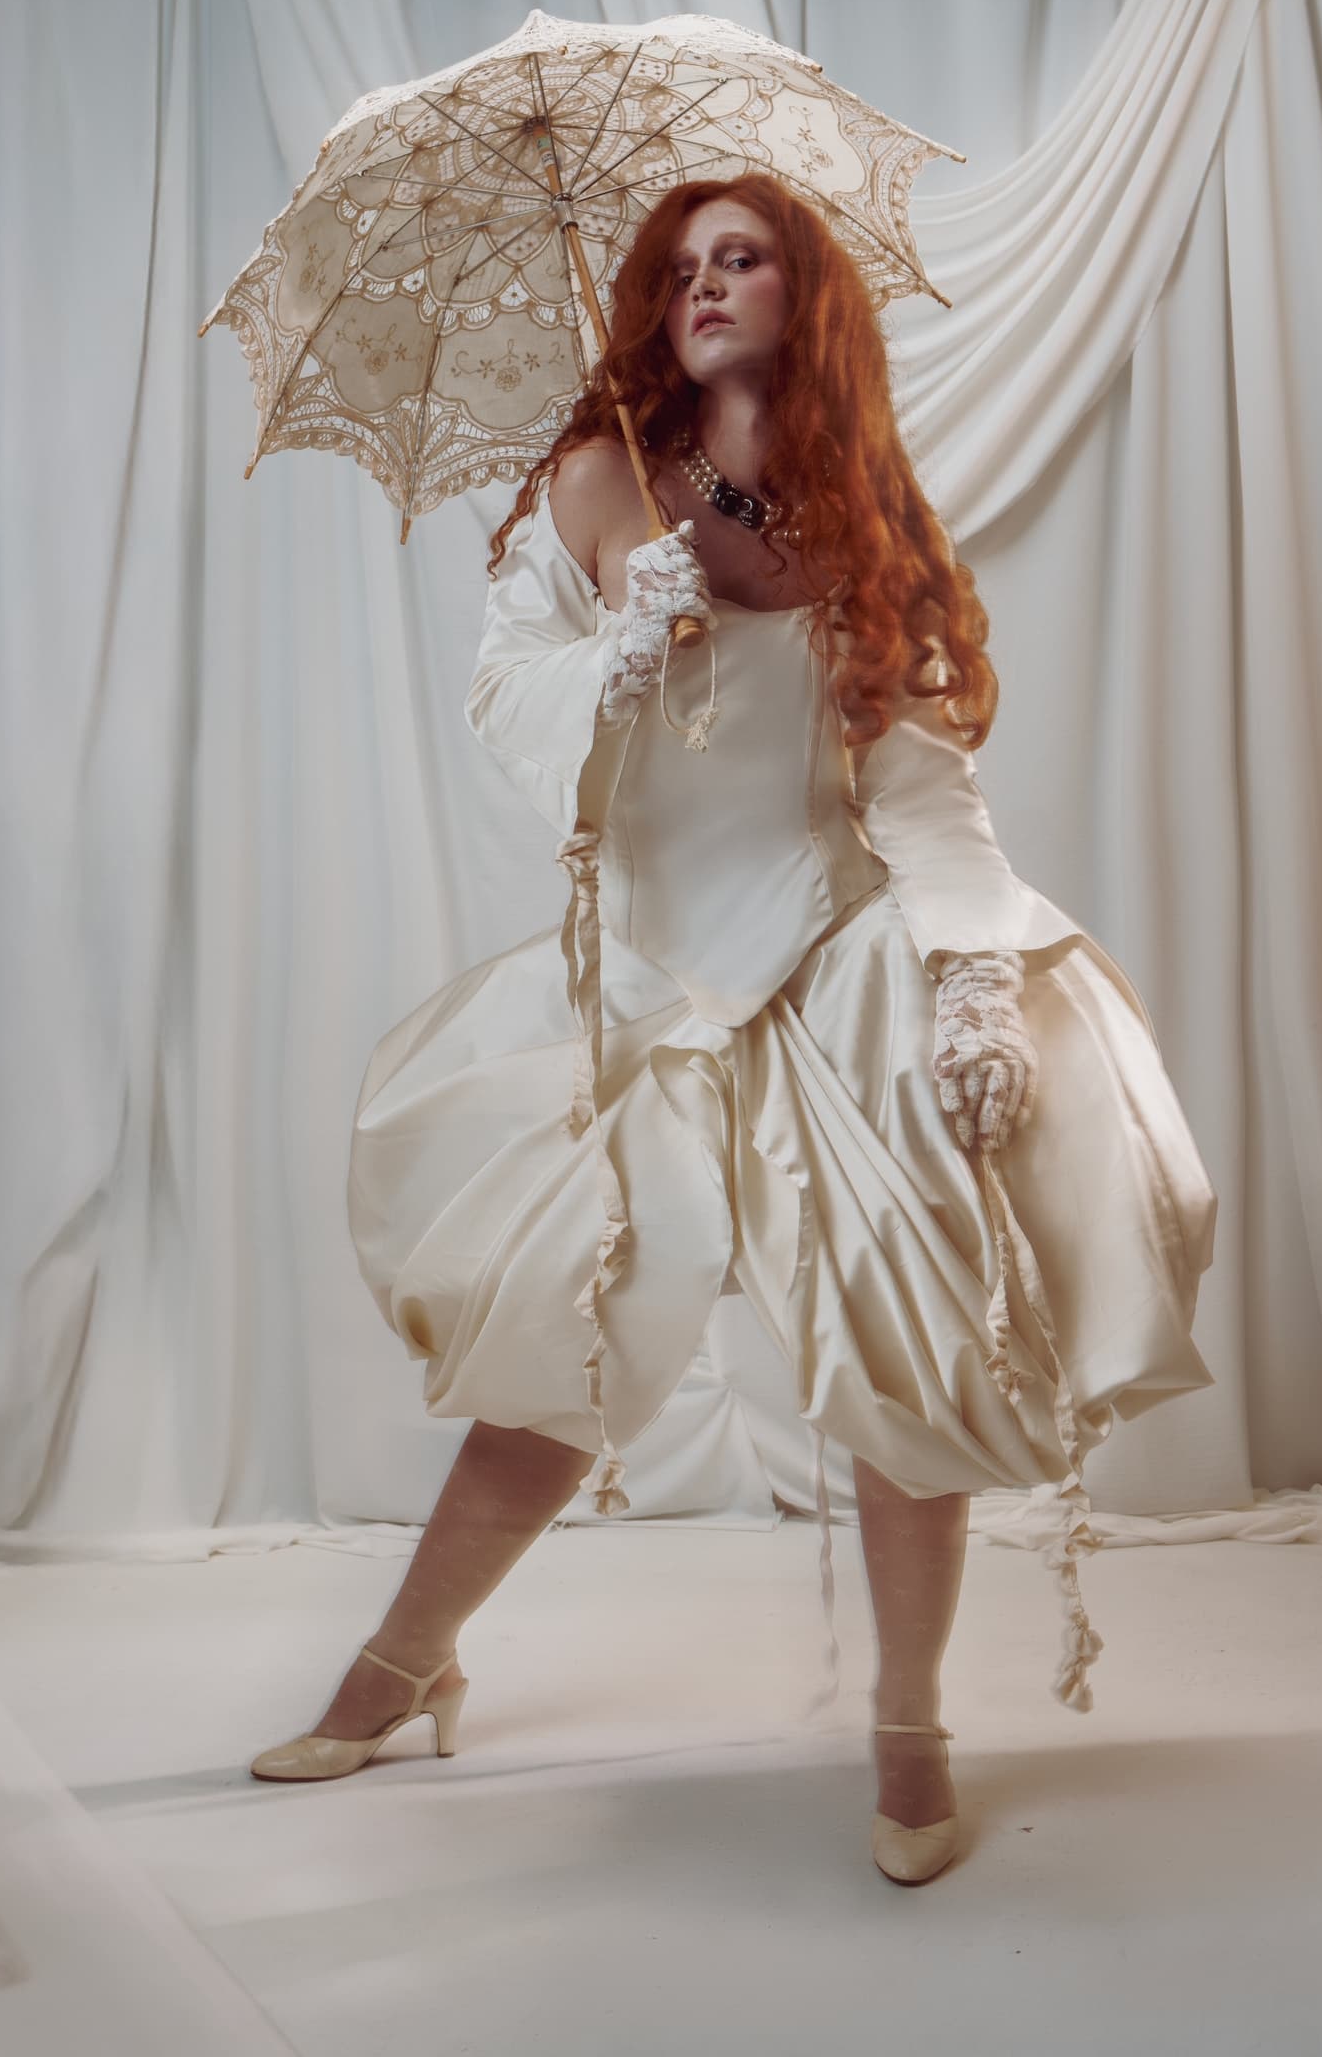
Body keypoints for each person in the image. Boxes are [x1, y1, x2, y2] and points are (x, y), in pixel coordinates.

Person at [249, 172, 1217, 1887]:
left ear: (799, 295)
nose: (703, 284)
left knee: (906, 1338)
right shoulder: (601, 474)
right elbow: (503, 712)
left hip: (834, 949)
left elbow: (918, 791)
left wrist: (972, 970)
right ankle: (407, 1664)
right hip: (645, 974)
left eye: (740, 257)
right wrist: (607, 654)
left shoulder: (864, 511)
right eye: (680, 265)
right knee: (572, 1336)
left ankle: (906, 1721)